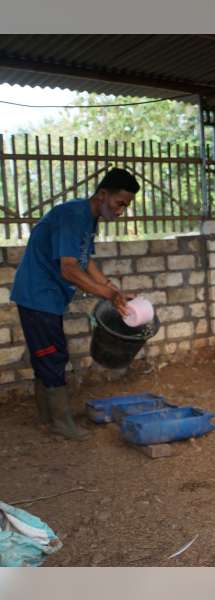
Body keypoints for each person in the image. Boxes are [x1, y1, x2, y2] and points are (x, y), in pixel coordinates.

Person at [10, 168, 139, 440]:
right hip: (38, 294)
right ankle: (61, 422)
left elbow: (85, 261)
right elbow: (69, 269)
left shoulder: (88, 217)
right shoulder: (73, 215)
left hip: (47, 296)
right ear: (103, 195)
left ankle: (47, 418)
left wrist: (112, 289)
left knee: (46, 355)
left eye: (125, 206)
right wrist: (107, 296)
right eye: (119, 204)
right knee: (52, 355)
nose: (121, 211)